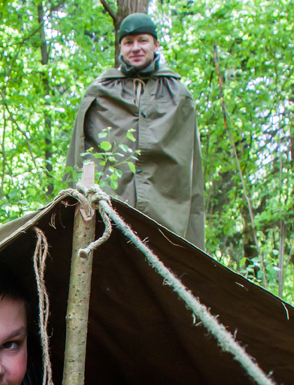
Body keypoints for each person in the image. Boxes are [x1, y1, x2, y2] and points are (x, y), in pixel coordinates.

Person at [66, 13, 205, 249]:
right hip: (110, 209)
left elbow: (190, 167)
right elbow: (78, 152)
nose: (136, 48)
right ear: (120, 47)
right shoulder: (100, 92)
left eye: (143, 40)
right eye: (128, 42)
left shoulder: (178, 94)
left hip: (165, 214)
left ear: (156, 44)